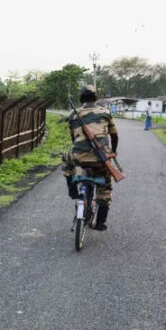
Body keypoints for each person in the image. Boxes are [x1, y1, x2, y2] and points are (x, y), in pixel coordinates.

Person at [62, 85, 119, 231]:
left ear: (81, 98)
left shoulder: (74, 115)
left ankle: (71, 187)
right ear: (96, 97)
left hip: (79, 156)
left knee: (66, 156)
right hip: (101, 158)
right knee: (105, 188)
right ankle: (100, 222)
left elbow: (73, 138)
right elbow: (114, 135)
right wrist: (113, 151)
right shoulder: (105, 112)